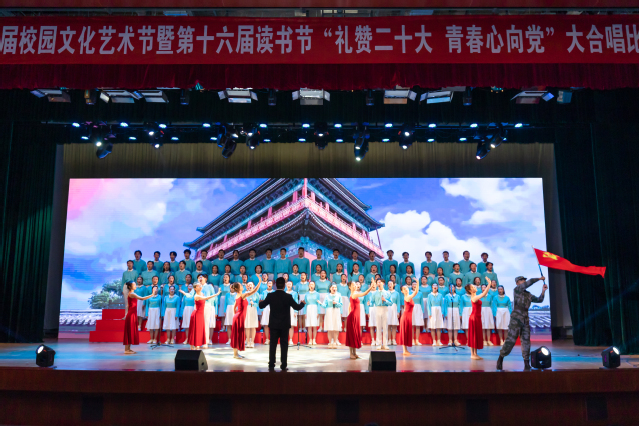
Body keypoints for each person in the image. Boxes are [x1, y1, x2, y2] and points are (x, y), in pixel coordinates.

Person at [497, 276, 547, 371]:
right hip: (516, 319)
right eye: (521, 280)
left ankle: (526, 363)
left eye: (524, 280)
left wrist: (543, 291)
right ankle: (501, 357)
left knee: (526, 341)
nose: (524, 281)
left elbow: (539, 300)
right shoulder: (517, 290)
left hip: (525, 319)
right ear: (517, 283)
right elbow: (529, 282)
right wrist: (539, 279)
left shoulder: (528, 294)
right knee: (511, 341)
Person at [258, 277, 305, 371]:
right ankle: (283, 365)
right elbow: (297, 307)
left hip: (274, 324)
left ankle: (271, 364)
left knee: (273, 344)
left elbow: (261, 306)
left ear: (275, 285)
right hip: (284, 324)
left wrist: (260, 302)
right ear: (284, 286)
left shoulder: (270, 295)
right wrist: (302, 304)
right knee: (284, 345)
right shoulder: (288, 296)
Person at [179, 281, 220, 350]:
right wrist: (217, 294)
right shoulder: (196, 296)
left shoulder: (202, 294)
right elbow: (206, 298)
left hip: (201, 314)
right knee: (195, 330)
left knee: (199, 330)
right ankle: (192, 346)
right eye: (198, 286)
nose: (200, 287)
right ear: (195, 288)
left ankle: (197, 344)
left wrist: (184, 293)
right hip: (196, 314)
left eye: (200, 286)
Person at [229, 281, 261, 358]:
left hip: (238, 317)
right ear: (237, 288)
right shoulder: (243, 295)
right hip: (239, 318)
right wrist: (259, 281)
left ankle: (236, 353)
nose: (242, 286)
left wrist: (236, 316)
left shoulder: (238, 295)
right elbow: (254, 291)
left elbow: (234, 308)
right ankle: (235, 354)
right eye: (240, 285)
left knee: (237, 335)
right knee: (237, 335)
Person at [345, 277, 374, 359]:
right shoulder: (354, 294)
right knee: (352, 335)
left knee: (354, 335)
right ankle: (351, 353)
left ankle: (354, 353)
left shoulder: (353, 294)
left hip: (355, 316)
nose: (355, 286)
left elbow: (350, 306)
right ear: (350, 287)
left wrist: (350, 313)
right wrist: (371, 287)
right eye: (353, 285)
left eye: (355, 285)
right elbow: (364, 293)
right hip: (353, 317)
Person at [123, 280, 155, 354]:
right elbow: (142, 298)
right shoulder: (132, 294)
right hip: (131, 315)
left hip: (132, 314)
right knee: (129, 331)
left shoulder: (131, 293)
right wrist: (152, 294)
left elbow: (128, 305)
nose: (135, 286)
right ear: (130, 286)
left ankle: (128, 349)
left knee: (130, 331)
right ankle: (126, 350)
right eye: (134, 285)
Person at [466, 277, 492, 360]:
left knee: (476, 335)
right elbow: (484, 294)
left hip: (477, 317)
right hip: (474, 318)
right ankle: (472, 354)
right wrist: (489, 284)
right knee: (473, 335)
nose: (475, 287)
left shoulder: (475, 296)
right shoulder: (474, 298)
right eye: (473, 287)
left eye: (474, 286)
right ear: (470, 290)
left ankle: (475, 354)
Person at [397, 283, 419, 356]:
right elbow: (416, 292)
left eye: (406, 288)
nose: (406, 289)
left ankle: (405, 350)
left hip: (408, 317)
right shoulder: (408, 297)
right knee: (405, 333)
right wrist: (417, 283)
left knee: (406, 333)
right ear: (402, 291)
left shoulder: (408, 296)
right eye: (404, 289)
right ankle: (404, 350)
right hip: (406, 317)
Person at [322, 284, 343, 349]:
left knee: (336, 327)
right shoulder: (327, 296)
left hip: (336, 311)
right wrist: (320, 303)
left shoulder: (339, 295)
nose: (334, 288)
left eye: (335, 287)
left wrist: (336, 303)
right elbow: (324, 305)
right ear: (330, 288)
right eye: (333, 287)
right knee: (330, 328)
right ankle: (330, 342)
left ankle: (334, 342)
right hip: (329, 311)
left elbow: (341, 304)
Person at [373, 279, 392, 350]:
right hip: (378, 308)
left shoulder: (387, 293)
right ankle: (379, 344)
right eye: (377, 282)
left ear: (383, 283)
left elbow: (391, 303)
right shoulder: (374, 293)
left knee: (385, 327)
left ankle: (385, 344)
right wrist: (369, 304)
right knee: (378, 327)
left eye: (380, 282)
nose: (379, 283)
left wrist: (385, 300)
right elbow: (372, 302)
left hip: (385, 309)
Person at [478, 277, 495, 346]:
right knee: (482, 326)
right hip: (481, 310)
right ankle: (484, 340)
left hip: (488, 311)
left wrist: (492, 312)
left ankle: (488, 340)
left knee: (488, 326)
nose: (484, 288)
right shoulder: (479, 296)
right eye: (482, 287)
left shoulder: (490, 296)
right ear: (481, 289)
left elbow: (491, 305)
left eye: (485, 287)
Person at [244, 282, 260, 348]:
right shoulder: (245, 293)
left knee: (253, 326)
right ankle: (248, 341)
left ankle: (252, 342)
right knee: (247, 326)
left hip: (253, 309)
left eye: (251, 285)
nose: (249, 286)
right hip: (246, 310)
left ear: (253, 286)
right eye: (248, 285)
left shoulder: (256, 294)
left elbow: (258, 304)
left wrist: (253, 304)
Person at [410, 279, 424, 345]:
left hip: (418, 309)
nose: (414, 286)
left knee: (418, 325)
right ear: (412, 286)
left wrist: (422, 311)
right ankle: (412, 340)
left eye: (416, 284)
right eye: (413, 284)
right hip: (411, 308)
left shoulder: (420, 293)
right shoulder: (409, 292)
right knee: (412, 325)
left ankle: (417, 340)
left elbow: (422, 303)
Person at [387, 281, 401, 346]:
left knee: (394, 325)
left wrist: (398, 311)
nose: (390, 285)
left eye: (391, 284)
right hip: (387, 309)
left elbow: (398, 303)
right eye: (389, 284)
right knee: (388, 325)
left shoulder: (397, 293)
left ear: (393, 285)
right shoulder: (385, 292)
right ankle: (389, 339)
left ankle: (393, 339)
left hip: (394, 309)